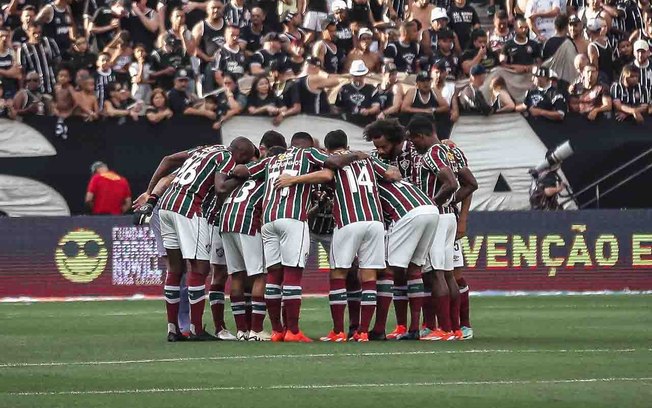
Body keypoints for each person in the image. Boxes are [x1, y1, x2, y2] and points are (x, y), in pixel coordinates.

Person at [231, 133, 370, 342]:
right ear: (308, 145)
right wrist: (355, 155)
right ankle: (293, 331)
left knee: (274, 276)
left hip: (268, 220)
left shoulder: (271, 159)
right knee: (292, 275)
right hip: (293, 218)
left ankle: (277, 330)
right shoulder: (308, 153)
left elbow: (240, 170)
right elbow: (332, 163)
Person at [275, 129, 401, 342]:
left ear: (327, 149)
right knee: (368, 276)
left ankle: (338, 331)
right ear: (347, 145)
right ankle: (362, 332)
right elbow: (393, 173)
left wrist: (294, 179)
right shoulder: (367, 159)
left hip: (348, 220)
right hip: (375, 221)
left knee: (338, 275)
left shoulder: (331, 161)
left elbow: (326, 175)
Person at [143, 138, 256, 341]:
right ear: (241, 155)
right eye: (245, 161)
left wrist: (149, 193)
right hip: (188, 207)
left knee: (175, 269)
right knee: (200, 268)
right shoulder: (228, 157)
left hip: (166, 204)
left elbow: (168, 159)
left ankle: (173, 329)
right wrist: (239, 179)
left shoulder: (205, 149)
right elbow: (221, 188)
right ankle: (196, 329)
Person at [363, 119, 440, 340]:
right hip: (429, 207)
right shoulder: (380, 160)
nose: (379, 151)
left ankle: (378, 329)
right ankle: (414, 328)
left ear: (397, 141)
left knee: (387, 269)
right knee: (414, 269)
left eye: (383, 146)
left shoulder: (414, 150)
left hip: (409, 211)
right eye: (376, 147)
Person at [404, 115, 460, 341]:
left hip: (437, 218)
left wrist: (431, 203)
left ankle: (444, 330)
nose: (413, 146)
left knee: (435, 274)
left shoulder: (433, 153)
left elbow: (451, 183)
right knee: (447, 275)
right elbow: (467, 183)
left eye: (414, 140)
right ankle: (454, 328)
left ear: (421, 136)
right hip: (448, 217)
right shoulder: (448, 152)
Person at [220, 143, 269, 341]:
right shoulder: (268, 171)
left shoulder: (245, 174)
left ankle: (242, 330)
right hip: (247, 220)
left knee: (238, 275)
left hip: (226, 219)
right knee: (260, 275)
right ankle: (256, 331)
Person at [17, 23, 61, 95]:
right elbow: (22, 72)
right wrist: (22, 90)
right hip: (35, 88)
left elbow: (58, 62)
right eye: (34, 33)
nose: (37, 35)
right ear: (28, 32)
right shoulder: (23, 49)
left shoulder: (50, 42)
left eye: (39, 32)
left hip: (53, 84)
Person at [334, 59, 377, 125]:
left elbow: (376, 107)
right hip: (348, 122)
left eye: (361, 76)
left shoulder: (372, 89)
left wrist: (368, 111)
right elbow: (337, 108)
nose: (358, 78)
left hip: (366, 123)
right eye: (356, 76)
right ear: (351, 75)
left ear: (365, 75)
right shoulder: (344, 89)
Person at [587, 18, 614, 84]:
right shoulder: (607, 42)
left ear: (589, 31)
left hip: (601, 81)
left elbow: (594, 67)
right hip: (610, 77)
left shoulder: (592, 46)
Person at [0, 27, 21, 99]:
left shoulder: (13, 54)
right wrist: (8, 72)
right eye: (1, 36)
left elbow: (16, 73)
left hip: (11, 89)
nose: (4, 39)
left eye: (6, 36)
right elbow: (11, 73)